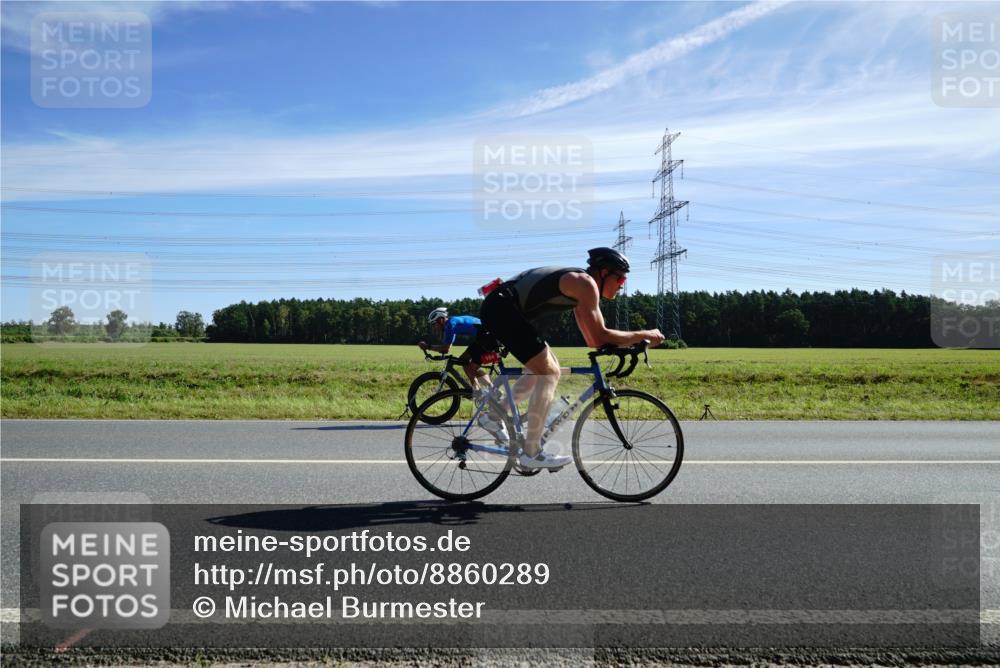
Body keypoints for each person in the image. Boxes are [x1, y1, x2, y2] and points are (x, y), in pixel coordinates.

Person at [479, 247, 665, 470]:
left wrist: (630, 343)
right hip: (503, 310)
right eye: (620, 277)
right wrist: (644, 335)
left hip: (504, 309)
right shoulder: (585, 284)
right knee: (549, 373)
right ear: (604, 273)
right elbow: (600, 335)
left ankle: (494, 415)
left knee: (544, 368)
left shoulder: (581, 288)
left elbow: (594, 340)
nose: (623, 284)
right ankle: (531, 452)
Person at [418, 308, 508, 443]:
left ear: (441, 320)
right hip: (484, 336)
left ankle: (483, 392)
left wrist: (428, 346)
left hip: (487, 337)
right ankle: (487, 389)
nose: (434, 327)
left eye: (435, 324)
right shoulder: (451, 323)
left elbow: (446, 348)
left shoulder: (450, 325)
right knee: (464, 360)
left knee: (470, 367)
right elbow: (446, 345)